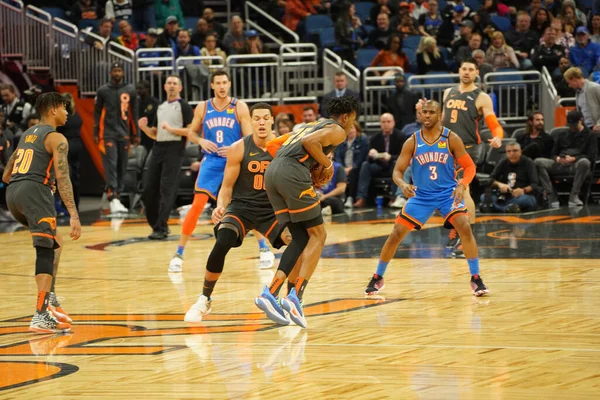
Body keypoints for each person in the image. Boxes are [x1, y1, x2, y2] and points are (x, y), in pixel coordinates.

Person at [255, 95, 361, 329]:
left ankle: (270, 292)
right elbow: (310, 144)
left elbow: (273, 146)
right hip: (292, 174)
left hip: (272, 174)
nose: (352, 124)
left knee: (301, 237)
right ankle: (295, 296)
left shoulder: (311, 124)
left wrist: (289, 169)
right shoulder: (338, 130)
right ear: (345, 116)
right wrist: (326, 164)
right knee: (319, 235)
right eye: (353, 119)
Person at [364, 100, 489, 297]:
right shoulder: (412, 141)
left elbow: (470, 167)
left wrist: (462, 184)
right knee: (396, 232)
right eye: (425, 112)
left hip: (447, 193)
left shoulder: (451, 138)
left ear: (440, 116)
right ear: (420, 115)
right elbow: (397, 171)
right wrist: (403, 185)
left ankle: (476, 278)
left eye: (432, 112)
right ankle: (378, 277)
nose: (428, 115)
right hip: (421, 196)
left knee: (464, 225)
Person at [184, 103, 296, 322]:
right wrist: (220, 206)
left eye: (266, 118)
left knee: (296, 241)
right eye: (257, 118)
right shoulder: (239, 148)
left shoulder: (285, 148)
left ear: (272, 120)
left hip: (272, 210)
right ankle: (204, 299)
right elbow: (226, 187)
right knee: (223, 239)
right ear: (250, 121)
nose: (262, 122)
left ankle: (290, 300)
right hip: (241, 207)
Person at [168, 71, 275, 272]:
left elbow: (250, 136)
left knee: (247, 204)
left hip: (235, 159)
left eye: (225, 82)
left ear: (230, 84)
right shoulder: (203, 107)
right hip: (212, 161)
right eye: (218, 83)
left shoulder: (239, 107)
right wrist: (201, 141)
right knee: (197, 205)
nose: (222, 86)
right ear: (212, 85)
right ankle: (179, 254)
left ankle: (264, 249)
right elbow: (191, 132)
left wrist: (235, 147)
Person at [2, 92, 82, 333]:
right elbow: (63, 178)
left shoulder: (27, 134)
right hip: (35, 192)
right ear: (54, 109)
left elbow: (7, 174)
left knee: (54, 242)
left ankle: (50, 297)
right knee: (45, 251)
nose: (68, 112)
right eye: (65, 108)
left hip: (13, 193)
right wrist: (74, 215)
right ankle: (40, 314)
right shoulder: (57, 138)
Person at [420, 57, 504, 256]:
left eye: (470, 69)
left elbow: (493, 123)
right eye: (463, 68)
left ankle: (466, 236)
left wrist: (498, 137)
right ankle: (457, 228)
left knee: (461, 189)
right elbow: (440, 121)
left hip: (468, 148)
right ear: (459, 70)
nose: (466, 72)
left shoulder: (481, 96)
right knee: (445, 191)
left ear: (477, 73)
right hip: (447, 148)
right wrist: (423, 111)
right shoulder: (448, 92)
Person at [138, 75, 193, 240]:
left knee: (167, 189)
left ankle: (161, 227)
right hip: (158, 147)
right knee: (149, 188)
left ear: (180, 88)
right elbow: (155, 133)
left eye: (175, 83)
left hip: (174, 148)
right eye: (169, 83)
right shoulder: (160, 107)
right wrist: (144, 128)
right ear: (164, 86)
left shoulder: (184, 106)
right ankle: (156, 224)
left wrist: (171, 129)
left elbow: (191, 131)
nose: (171, 86)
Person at [94, 62, 138, 214]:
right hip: (108, 134)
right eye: (114, 71)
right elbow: (97, 113)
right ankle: (112, 195)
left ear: (123, 73)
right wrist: (95, 132)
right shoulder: (103, 91)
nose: (117, 73)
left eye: (119, 70)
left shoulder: (130, 90)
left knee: (122, 166)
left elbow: (134, 113)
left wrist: (136, 133)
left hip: (124, 133)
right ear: (110, 73)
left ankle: (117, 194)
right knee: (111, 164)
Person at [535, 110, 597, 207]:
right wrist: (558, 159)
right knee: (538, 162)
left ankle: (574, 196)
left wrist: (574, 158)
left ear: (581, 120)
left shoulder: (590, 135)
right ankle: (551, 195)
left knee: (585, 162)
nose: (571, 127)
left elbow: (591, 156)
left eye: (574, 124)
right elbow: (553, 154)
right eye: (570, 124)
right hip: (561, 163)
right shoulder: (562, 134)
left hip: (577, 164)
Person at [353, 113, 406, 208]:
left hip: (393, 165)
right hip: (379, 165)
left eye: (388, 122)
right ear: (380, 124)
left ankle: (393, 197)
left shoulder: (401, 137)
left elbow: (404, 157)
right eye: (383, 122)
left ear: (393, 123)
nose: (386, 124)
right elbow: (367, 159)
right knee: (365, 165)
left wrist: (391, 157)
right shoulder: (374, 138)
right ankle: (361, 198)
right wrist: (371, 154)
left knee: (396, 164)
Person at [482, 142, 539, 213]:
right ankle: (508, 208)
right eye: (509, 151)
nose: (512, 153)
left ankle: (496, 207)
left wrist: (523, 190)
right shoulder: (503, 162)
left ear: (520, 152)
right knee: (484, 197)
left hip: (522, 195)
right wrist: (500, 185)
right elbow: (490, 179)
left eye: (515, 151)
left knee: (526, 200)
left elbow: (535, 184)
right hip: (505, 195)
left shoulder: (528, 162)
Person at [57, 93, 83, 211]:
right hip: (77, 145)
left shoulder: (62, 117)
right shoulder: (76, 116)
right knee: (75, 177)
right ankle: (75, 205)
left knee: (64, 176)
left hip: (65, 146)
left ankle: (65, 205)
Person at [334, 120, 369, 207]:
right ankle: (337, 197)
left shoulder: (362, 139)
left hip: (357, 167)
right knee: (335, 170)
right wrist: (341, 168)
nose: (350, 130)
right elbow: (337, 156)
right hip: (343, 167)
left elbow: (361, 157)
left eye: (352, 128)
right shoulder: (341, 141)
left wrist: (351, 167)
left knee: (353, 172)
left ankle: (350, 197)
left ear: (357, 129)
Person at [564, 67, 600, 133]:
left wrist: (599, 124)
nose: (569, 86)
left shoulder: (595, 88)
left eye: (569, 83)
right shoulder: (577, 93)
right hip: (587, 130)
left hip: (597, 129)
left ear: (574, 79)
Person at [136, 80, 159, 152]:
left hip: (151, 134)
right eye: (137, 88)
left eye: (140, 88)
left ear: (147, 89)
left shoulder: (155, 102)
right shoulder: (136, 103)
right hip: (139, 134)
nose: (138, 90)